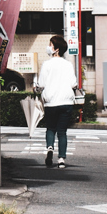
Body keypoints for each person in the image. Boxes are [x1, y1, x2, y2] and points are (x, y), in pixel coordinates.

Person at [36, 35, 77, 168]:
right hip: (66, 102)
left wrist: (36, 87)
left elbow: (41, 84)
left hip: (51, 102)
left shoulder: (47, 64)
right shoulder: (68, 65)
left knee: (51, 128)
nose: (48, 47)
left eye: (51, 45)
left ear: (56, 49)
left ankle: (49, 148)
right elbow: (73, 84)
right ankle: (61, 160)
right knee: (62, 131)